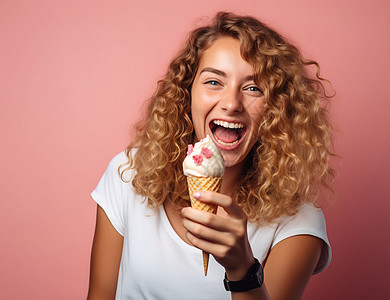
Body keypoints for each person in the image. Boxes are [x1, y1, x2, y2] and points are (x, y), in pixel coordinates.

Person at [87, 11, 335, 300]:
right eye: (214, 82)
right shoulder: (128, 174)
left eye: (254, 88)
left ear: (276, 109)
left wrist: (242, 269)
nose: (231, 103)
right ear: (186, 94)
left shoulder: (297, 221)